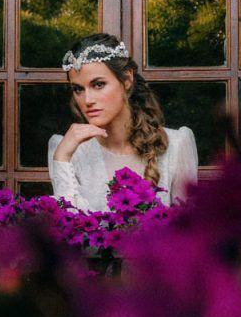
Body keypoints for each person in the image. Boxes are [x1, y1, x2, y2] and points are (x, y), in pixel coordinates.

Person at [47, 33, 198, 212]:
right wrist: (62, 158)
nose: (87, 100)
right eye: (78, 89)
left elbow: (190, 231)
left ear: (126, 79)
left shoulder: (176, 144)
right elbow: (68, 230)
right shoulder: (65, 149)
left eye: (98, 84)